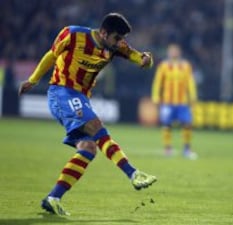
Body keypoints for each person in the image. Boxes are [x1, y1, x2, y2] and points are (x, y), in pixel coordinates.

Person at [18, 13, 157, 216]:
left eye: (122, 39)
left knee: (89, 148)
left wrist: (147, 59)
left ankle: (53, 198)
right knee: (96, 126)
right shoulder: (73, 35)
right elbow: (51, 55)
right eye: (117, 38)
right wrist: (33, 80)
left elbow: (139, 58)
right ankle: (133, 173)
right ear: (103, 33)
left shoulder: (115, 47)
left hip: (80, 97)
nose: (120, 42)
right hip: (62, 91)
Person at [151, 44, 198, 160]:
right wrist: (156, 97)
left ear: (179, 52)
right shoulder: (163, 66)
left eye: (175, 51)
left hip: (182, 102)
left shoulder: (186, 66)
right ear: (168, 53)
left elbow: (190, 82)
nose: (174, 53)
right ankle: (168, 148)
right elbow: (157, 83)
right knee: (167, 125)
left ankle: (187, 149)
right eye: (171, 51)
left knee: (187, 124)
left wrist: (193, 97)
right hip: (167, 102)